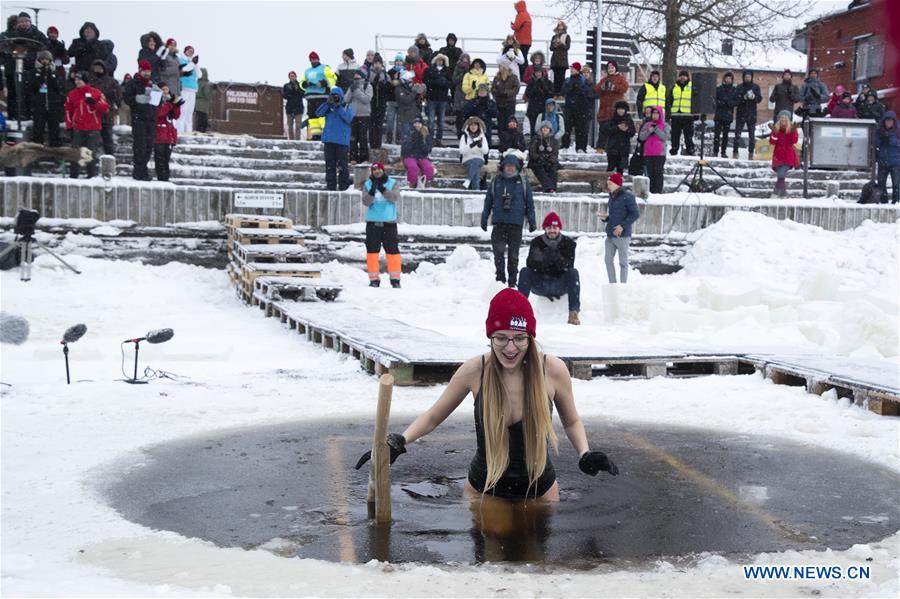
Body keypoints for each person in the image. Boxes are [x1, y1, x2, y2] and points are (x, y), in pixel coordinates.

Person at [355, 287, 620, 502]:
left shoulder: (552, 369)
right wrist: (400, 441)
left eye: (519, 338)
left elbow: (572, 421)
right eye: (501, 338)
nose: (510, 347)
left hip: (541, 490)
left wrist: (584, 454)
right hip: (485, 490)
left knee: (539, 564)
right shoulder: (474, 370)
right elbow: (434, 416)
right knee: (490, 561)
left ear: (530, 336)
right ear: (490, 337)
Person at [481, 154, 536, 287]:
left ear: (517, 167)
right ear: (503, 167)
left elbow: (529, 203)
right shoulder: (496, 181)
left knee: (514, 255)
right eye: (507, 166)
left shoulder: (523, 182)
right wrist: (484, 217)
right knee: (498, 254)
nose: (510, 169)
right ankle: (500, 279)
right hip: (499, 222)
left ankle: (512, 281)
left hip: (516, 224)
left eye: (513, 166)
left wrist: (532, 221)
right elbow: (488, 201)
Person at [518, 212, 580, 324]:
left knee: (573, 273)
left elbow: (569, 266)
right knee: (524, 271)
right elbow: (530, 264)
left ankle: (573, 313)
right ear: (545, 228)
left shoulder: (568, 243)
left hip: (559, 284)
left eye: (555, 227)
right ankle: (519, 311)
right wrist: (544, 260)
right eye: (549, 227)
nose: (552, 230)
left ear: (559, 228)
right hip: (541, 283)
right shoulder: (537, 242)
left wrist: (557, 259)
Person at [0, 12, 49, 119]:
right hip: (14, 68)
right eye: (21, 21)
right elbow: (3, 45)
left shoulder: (38, 34)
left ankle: (29, 115)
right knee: (14, 94)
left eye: (26, 21)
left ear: (30, 22)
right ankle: (14, 115)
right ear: (17, 23)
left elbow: (46, 47)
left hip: (31, 69)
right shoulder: (12, 35)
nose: (24, 24)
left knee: (30, 93)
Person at [362, 162, 403, 287]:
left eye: (379, 169)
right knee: (372, 252)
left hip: (389, 223)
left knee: (393, 252)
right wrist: (372, 191)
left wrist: (382, 189)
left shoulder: (392, 183)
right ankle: (374, 279)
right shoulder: (368, 184)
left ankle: (395, 280)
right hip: (373, 223)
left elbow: (394, 198)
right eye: (374, 170)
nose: (376, 171)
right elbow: (366, 202)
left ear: (383, 170)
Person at [64, 70, 109, 178]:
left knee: (90, 153)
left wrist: (95, 103)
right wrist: (69, 125)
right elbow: (67, 110)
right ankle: (73, 175)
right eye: (76, 80)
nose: (77, 82)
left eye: (80, 80)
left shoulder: (96, 92)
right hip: (78, 128)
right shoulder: (72, 94)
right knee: (75, 152)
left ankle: (91, 176)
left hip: (93, 128)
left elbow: (105, 108)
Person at [123, 59, 161, 181]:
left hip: (151, 118)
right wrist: (138, 99)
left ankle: (142, 170)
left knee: (149, 146)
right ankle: (139, 172)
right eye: (144, 70)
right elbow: (127, 98)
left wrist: (159, 97)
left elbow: (158, 103)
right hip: (139, 118)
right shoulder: (133, 83)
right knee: (140, 146)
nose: (146, 73)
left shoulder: (153, 84)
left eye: (148, 70)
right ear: (140, 70)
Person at [598, 172, 639, 284]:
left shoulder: (628, 196)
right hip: (610, 234)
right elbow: (615, 215)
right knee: (608, 260)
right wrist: (606, 218)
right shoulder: (611, 197)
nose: (608, 186)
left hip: (623, 235)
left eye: (610, 184)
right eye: (608, 184)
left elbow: (635, 214)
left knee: (623, 262)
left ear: (617, 184)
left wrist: (622, 226)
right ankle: (613, 284)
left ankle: (623, 286)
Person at [316, 87, 354, 190]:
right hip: (329, 141)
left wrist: (338, 107)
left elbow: (348, 118)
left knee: (343, 166)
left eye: (337, 96)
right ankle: (330, 186)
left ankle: (343, 186)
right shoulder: (328, 107)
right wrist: (328, 103)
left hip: (342, 142)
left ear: (342, 97)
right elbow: (318, 113)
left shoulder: (346, 106)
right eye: (333, 96)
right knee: (330, 166)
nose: (335, 98)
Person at [28, 50, 64, 147]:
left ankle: (54, 152)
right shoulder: (34, 72)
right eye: (43, 59)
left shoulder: (55, 72)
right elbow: (31, 87)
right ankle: (38, 151)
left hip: (53, 105)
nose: (45, 61)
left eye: (47, 59)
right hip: (39, 105)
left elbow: (58, 87)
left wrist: (49, 76)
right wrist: (41, 77)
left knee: (54, 131)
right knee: (38, 130)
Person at [88, 58, 121, 155]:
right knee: (92, 141)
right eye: (96, 67)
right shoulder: (89, 81)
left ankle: (110, 160)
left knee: (108, 141)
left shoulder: (111, 81)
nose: (98, 69)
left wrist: (109, 95)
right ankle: (92, 163)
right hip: (92, 114)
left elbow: (118, 96)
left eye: (100, 67)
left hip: (107, 114)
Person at [593, 60, 628, 153]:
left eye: (612, 68)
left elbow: (624, 88)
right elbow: (596, 89)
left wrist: (614, 87)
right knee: (603, 129)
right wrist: (602, 87)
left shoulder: (620, 78)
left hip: (615, 109)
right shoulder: (604, 79)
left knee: (615, 130)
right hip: (604, 109)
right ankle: (600, 147)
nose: (610, 69)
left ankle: (613, 148)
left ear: (615, 68)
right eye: (609, 68)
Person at [301, 51, 337, 140]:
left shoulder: (324, 68)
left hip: (322, 96)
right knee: (312, 117)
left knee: (322, 116)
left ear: (318, 59)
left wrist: (324, 83)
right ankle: (316, 135)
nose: (314, 61)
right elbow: (301, 82)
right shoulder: (307, 71)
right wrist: (304, 84)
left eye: (315, 59)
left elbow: (333, 78)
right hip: (310, 97)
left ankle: (326, 133)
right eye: (312, 59)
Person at [560, 63, 592, 152]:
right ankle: (565, 146)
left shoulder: (583, 80)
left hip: (581, 108)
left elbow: (587, 93)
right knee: (567, 128)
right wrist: (570, 88)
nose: (571, 70)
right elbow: (563, 92)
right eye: (571, 68)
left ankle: (580, 147)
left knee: (580, 129)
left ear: (577, 70)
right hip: (569, 107)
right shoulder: (567, 80)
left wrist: (580, 89)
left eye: (573, 68)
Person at [767, 110, 799, 198]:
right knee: (781, 176)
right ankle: (783, 194)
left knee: (781, 175)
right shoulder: (776, 129)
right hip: (778, 156)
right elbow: (772, 142)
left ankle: (775, 193)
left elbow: (794, 141)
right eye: (782, 120)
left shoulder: (792, 129)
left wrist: (792, 131)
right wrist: (774, 134)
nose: (783, 122)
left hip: (788, 156)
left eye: (785, 120)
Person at [153, 83, 181, 181]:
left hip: (169, 134)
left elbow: (176, 116)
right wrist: (170, 104)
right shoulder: (156, 100)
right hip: (159, 133)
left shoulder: (170, 101)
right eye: (163, 89)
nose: (165, 91)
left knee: (166, 160)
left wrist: (176, 106)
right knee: (160, 159)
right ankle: (161, 178)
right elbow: (159, 113)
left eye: (167, 89)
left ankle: (165, 178)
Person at [343, 70, 373, 163]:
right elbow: (346, 99)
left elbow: (366, 99)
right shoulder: (351, 87)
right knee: (353, 138)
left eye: (358, 78)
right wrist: (351, 91)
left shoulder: (367, 86)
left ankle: (364, 158)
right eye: (354, 78)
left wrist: (356, 90)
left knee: (363, 137)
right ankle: (353, 157)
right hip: (352, 115)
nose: (356, 80)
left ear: (362, 78)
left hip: (364, 115)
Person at [423, 53, 452, 146]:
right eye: (438, 60)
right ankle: (430, 139)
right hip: (432, 98)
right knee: (431, 121)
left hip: (442, 99)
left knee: (441, 121)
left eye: (442, 60)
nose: (440, 62)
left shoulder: (447, 71)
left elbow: (450, 83)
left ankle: (439, 139)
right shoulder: (429, 70)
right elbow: (426, 81)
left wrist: (440, 82)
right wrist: (438, 82)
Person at [732, 69, 762, 159]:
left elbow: (759, 99)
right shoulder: (739, 87)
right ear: (743, 77)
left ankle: (751, 153)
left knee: (752, 136)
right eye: (746, 77)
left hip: (751, 114)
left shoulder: (755, 87)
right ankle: (735, 152)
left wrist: (753, 97)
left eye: (749, 76)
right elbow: (736, 100)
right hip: (741, 113)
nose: (747, 78)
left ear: (751, 77)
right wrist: (743, 98)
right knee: (737, 134)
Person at [666, 70, 697, 156]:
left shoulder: (692, 87)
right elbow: (669, 101)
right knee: (675, 135)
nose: (682, 77)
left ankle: (690, 150)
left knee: (688, 135)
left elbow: (696, 101)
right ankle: (674, 149)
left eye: (684, 76)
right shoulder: (674, 87)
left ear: (688, 77)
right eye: (681, 76)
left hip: (688, 115)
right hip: (676, 115)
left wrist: (695, 113)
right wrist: (669, 114)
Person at [638, 106, 668, 193]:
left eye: (656, 114)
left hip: (660, 154)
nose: (655, 116)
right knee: (649, 174)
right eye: (653, 114)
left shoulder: (664, 125)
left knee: (658, 173)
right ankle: (650, 191)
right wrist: (649, 131)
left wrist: (656, 130)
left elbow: (665, 137)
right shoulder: (647, 125)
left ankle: (658, 191)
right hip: (648, 153)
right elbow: (641, 137)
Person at [401, 117, 435, 189]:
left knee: (428, 168)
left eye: (419, 123)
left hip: (422, 156)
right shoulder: (408, 133)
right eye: (415, 123)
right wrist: (413, 142)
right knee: (413, 168)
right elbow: (405, 148)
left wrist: (422, 143)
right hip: (410, 156)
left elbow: (428, 149)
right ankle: (412, 185)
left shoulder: (426, 134)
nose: (417, 125)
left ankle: (427, 185)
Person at [875, 111, 899, 204]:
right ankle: (883, 200)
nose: (888, 123)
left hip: (896, 161)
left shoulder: (897, 130)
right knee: (881, 183)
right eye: (887, 121)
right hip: (883, 161)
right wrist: (882, 139)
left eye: (890, 121)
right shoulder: (880, 131)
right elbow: (875, 143)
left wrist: (891, 139)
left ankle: (896, 201)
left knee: (896, 184)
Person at [459, 116, 490, 190]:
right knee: (476, 171)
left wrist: (480, 146)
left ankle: (468, 180)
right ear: (468, 126)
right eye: (471, 125)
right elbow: (462, 151)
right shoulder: (464, 137)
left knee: (476, 161)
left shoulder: (482, 137)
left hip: (479, 159)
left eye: (475, 125)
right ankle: (476, 191)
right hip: (467, 159)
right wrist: (471, 146)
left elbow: (486, 151)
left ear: (478, 126)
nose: (473, 127)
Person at [528, 122, 560, 192]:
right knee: (540, 170)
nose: (545, 129)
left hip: (549, 161)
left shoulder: (554, 140)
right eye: (544, 127)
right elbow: (532, 151)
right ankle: (550, 188)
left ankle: (551, 188)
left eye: (547, 128)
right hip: (537, 161)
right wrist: (539, 158)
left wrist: (550, 159)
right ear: (541, 129)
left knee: (553, 170)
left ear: (550, 129)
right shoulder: (535, 139)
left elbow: (555, 153)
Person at [606, 100, 635, 174]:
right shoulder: (612, 119)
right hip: (613, 148)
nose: (621, 111)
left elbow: (632, 132)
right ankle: (608, 184)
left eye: (622, 109)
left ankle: (618, 184)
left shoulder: (628, 119)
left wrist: (627, 129)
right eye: (619, 109)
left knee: (620, 170)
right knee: (610, 168)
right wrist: (617, 128)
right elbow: (607, 131)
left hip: (624, 149)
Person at [367, 58, 391, 149]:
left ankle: (378, 144)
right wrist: (374, 83)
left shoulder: (385, 75)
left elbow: (389, 90)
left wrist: (383, 86)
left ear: (382, 65)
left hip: (381, 102)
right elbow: (366, 87)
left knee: (379, 124)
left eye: (379, 63)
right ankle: (372, 144)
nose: (377, 65)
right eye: (375, 63)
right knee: (372, 124)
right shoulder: (368, 74)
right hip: (371, 102)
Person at [713, 72, 737, 158]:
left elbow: (736, 101)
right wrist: (721, 103)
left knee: (725, 135)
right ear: (724, 79)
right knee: (717, 134)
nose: (728, 80)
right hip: (719, 114)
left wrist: (729, 103)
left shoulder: (734, 90)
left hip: (728, 115)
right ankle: (715, 151)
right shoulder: (719, 89)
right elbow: (714, 100)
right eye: (726, 78)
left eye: (730, 78)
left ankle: (723, 151)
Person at [393, 70, 421, 144]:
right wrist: (414, 93)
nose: (411, 81)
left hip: (413, 115)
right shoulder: (399, 89)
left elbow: (417, 102)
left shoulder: (411, 89)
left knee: (412, 136)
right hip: (404, 115)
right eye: (409, 79)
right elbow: (406, 100)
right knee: (406, 135)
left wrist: (418, 94)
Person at [524, 66, 553, 136]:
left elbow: (550, 94)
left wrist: (543, 85)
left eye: (539, 72)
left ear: (542, 73)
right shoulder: (531, 82)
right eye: (537, 72)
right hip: (533, 108)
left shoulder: (548, 82)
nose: (538, 74)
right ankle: (533, 143)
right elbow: (528, 94)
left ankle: (543, 143)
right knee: (533, 128)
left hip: (543, 108)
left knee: (544, 128)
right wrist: (535, 86)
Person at [177, 45, 199, 133]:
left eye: (192, 51)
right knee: (182, 110)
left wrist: (196, 65)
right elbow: (184, 70)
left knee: (189, 112)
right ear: (185, 51)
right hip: (184, 88)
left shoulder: (192, 62)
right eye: (189, 50)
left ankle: (188, 131)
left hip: (193, 89)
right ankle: (180, 130)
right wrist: (192, 63)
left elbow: (199, 75)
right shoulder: (181, 59)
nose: (190, 52)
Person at [384, 54, 406, 143]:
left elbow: (407, 87)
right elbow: (387, 86)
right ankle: (389, 138)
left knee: (400, 123)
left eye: (400, 60)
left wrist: (400, 81)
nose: (398, 62)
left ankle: (398, 139)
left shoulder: (405, 72)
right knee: (390, 121)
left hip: (401, 101)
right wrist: (393, 82)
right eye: (397, 60)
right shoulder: (390, 72)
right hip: (391, 100)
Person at [492, 65, 520, 132]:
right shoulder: (497, 78)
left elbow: (516, 88)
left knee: (510, 121)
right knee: (501, 122)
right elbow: (493, 88)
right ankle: (502, 137)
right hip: (499, 103)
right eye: (500, 67)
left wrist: (507, 93)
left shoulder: (514, 77)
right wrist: (498, 93)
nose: (501, 68)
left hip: (510, 103)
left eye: (502, 66)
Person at [452, 53, 472, 138]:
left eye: (466, 59)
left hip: (468, 92)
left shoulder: (471, 68)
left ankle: (468, 132)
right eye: (463, 58)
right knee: (459, 115)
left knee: (468, 115)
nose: (465, 60)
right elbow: (454, 80)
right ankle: (459, 132)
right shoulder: (458, 67)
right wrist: (463, 74)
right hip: (460, 93)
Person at [510, 1, 532, 80]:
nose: (515, 9)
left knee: (521, 59)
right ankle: (525, 75)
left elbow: (516, 27)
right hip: (527, 41)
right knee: (524, 58)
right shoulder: (526, 14)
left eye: (516, 7)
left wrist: (512, 26)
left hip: (522, 41)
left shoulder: (521, 15)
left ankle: (523, 76)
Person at [549, 21, 570, 96]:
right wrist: (555, 44)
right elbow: (551, 48)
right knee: (556, 77)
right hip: (555, 60)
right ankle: (556, 93)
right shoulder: (554, 37)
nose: (560, 27)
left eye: (561, 26)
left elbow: (567, 47)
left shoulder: (567, 36)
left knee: (561, 77)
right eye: (559, 26)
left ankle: (561, 93)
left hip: (562, 60)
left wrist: (561, 43)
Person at [283, 71, 305, 140]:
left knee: (298, 126)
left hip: (299, 108)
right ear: (289, 77)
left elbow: (303, 94)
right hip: (289, 108)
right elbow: (285, 95)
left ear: (296, 76)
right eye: (290, 76)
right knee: (290, 126)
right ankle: (291, 140)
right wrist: (291, 93)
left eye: (293, 76)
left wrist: (297, 90)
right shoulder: (286, 86)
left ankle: (297, 140)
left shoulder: (300, 85)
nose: (292, 77)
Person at [194, 68, 211, 132]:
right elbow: (207, 95)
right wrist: (213, 92)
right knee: (203, 118)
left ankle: (198, 129)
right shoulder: (206, 84)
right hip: (203, 104)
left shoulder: (196, 82)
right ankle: (202, 130)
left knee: (198, 118)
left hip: (196, 103)